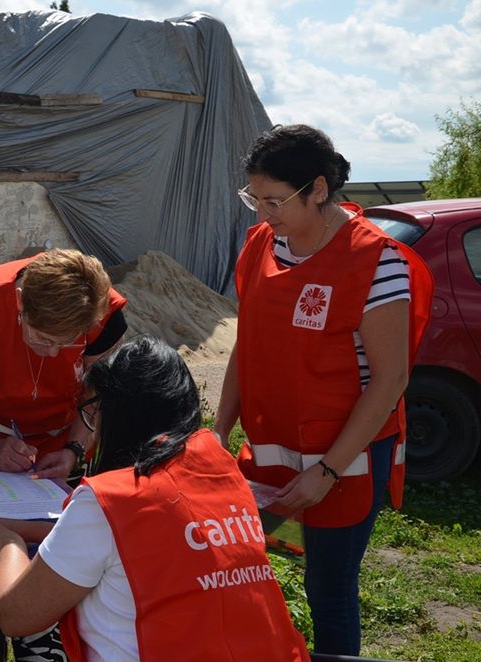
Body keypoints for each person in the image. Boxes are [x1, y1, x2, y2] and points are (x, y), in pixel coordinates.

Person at [213, 124, 433, 655]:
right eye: (253, 198)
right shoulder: (261, 245)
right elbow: (249, 343)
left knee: (329, 589)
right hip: (273, 459)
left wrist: (328, 470)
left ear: (317, 189)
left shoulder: (376, 261)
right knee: (255, 566)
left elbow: (391, 379)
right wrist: (219, 430)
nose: (262, 214)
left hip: (345, 464)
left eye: (274, 201)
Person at [0, 336, 311, 662]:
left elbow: (17, 615)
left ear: (119, 415)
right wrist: (28, 529)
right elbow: (144, 543)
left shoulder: (110, 498)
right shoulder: (223, 475)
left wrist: (7, 542)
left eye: (94, 413)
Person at [0, 248, 128, 480]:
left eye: (67, 342)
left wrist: (74, 450)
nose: (53, 353)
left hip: (68, 438)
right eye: (43, 338)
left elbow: (99, 397)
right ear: (19, 301)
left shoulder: (102, 310)